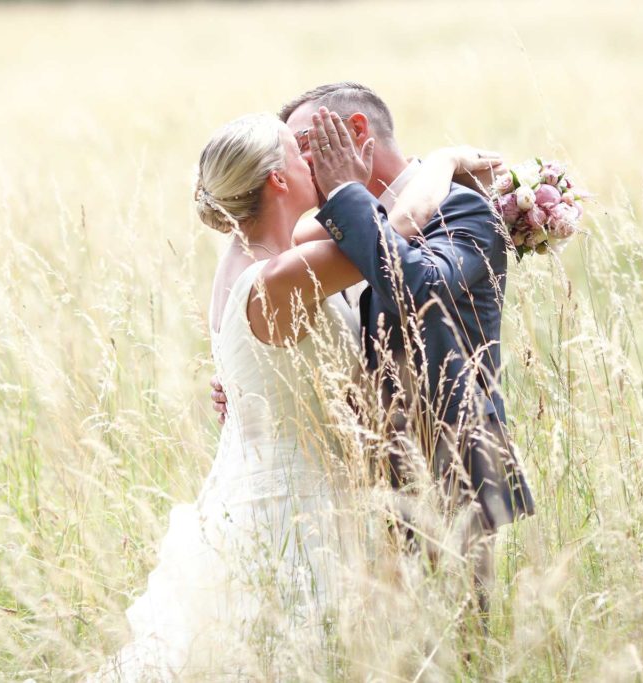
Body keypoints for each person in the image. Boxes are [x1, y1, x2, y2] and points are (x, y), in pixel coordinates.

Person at [96, 111, 500, 680]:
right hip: (297, 507)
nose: (313, 157)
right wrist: (446, 162)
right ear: (278, 181)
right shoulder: (278, 273)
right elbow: (395, 226)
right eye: (298, 149)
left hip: (295, 483)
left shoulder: (262, 251)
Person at [212, 82, 536, 626]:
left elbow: (416, 279)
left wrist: (434, 168)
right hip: (350, 488)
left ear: (356, 132)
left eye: (309, 144)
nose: (307, 163)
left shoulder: (461, 209)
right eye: (297, 153)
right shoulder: (324, 229)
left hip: (445, 463)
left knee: (459, 644)